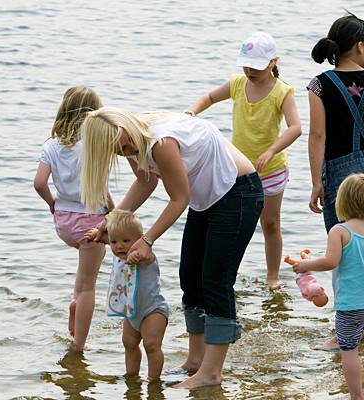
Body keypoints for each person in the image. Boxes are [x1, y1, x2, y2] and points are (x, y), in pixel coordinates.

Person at [80, 107, 264, 389]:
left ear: (125, 126)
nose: (125, 150)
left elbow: (179, 199)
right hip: (207, 197)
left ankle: (211, 372)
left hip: (238, 192)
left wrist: (147, 239)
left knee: (216, 280)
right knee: (190, 276)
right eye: (118, 151)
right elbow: (145, 181)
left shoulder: (160, 143)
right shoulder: (129, 141)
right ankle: (195, 360)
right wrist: (111, 221)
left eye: (125, 144)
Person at [188, 31, 301, 289]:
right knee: (232, 222)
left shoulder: (282, 92)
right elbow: (210, 97)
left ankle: (272, 276)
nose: (250, 71)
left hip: (270, 168)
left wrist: (271, 150)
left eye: (257, 66)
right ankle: (227, 273)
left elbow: (295, 127)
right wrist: (191, 112)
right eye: (247, 65)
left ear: (273, 62)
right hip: (238, 170)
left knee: (270, 223)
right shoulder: (238, 84)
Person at [307, 13, 364, 351]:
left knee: (338, 251)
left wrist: (315, 182)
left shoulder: (319, 85)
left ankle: (345, 329)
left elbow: (317, 136)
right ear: (360, 45)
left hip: (338, 174)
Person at [291, 173, 364, 400]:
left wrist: (305, 265)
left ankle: (356, 396)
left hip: (351, 306)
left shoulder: (339, 230)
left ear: (342, 201)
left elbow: (331, 261)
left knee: (349, 349)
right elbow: (351, 259)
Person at [33, 86, 112, 351]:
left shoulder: (50, 146)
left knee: (81, 276)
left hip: (64, 221)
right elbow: (99, 186)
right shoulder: (92, 145)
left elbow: (39, 183)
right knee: (89, 284)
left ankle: (74, 309)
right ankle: (79, 345)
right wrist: (114, 211)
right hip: (90, 221)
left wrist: (52, 204)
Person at [87, 209, 168, 381]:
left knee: (151, 345)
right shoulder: (119, 253)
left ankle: (154, 381)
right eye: (114, 242)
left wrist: (138, 254)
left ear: (139, 240)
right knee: (129, 343)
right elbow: (106, 239)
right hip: (131, 312)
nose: (119, 246)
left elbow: (147, 256)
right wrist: (97, 234)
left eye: (126, 241)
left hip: (153, 311)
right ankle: (132, 377)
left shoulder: (144, 256)